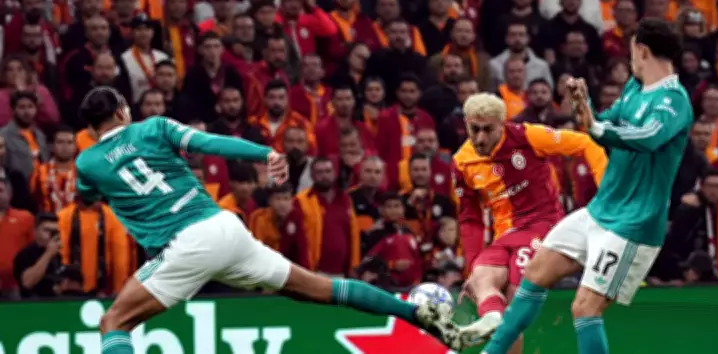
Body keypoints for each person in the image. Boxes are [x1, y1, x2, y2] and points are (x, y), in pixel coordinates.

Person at [74, 86, 467, 354]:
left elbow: (87, 196)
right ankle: (415, 313)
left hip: (185, 244)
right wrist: (265, 153)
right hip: (225, 227)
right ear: (123, 111)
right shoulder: (154, 127)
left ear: (91, 128)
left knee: (114, 322)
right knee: (316, 287)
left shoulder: (87, 162)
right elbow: (208, 143)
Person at [473, 18, 692, 354]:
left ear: (642, 50)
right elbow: (601, 124)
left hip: (633, 224)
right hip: (600, 210)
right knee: (535, 271)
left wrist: (597, 128)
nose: (630, 57)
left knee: (585, 308)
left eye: (632, 49)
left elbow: (648, 137)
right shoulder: (634, 88)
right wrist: (583, 105)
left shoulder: (674, 100)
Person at [452, 92, 607, 354]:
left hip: (542, 225)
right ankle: (491, 318)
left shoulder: (527, 136)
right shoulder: (462, 162)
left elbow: (585, 143)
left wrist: (608, 191)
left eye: (488, 130)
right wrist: (472, 263)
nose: (480, 138)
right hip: (504, 235)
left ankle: (498, 325)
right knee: (480, 278)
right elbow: (470, 219)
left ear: (502, 125)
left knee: (515, 299)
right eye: (474, 129)